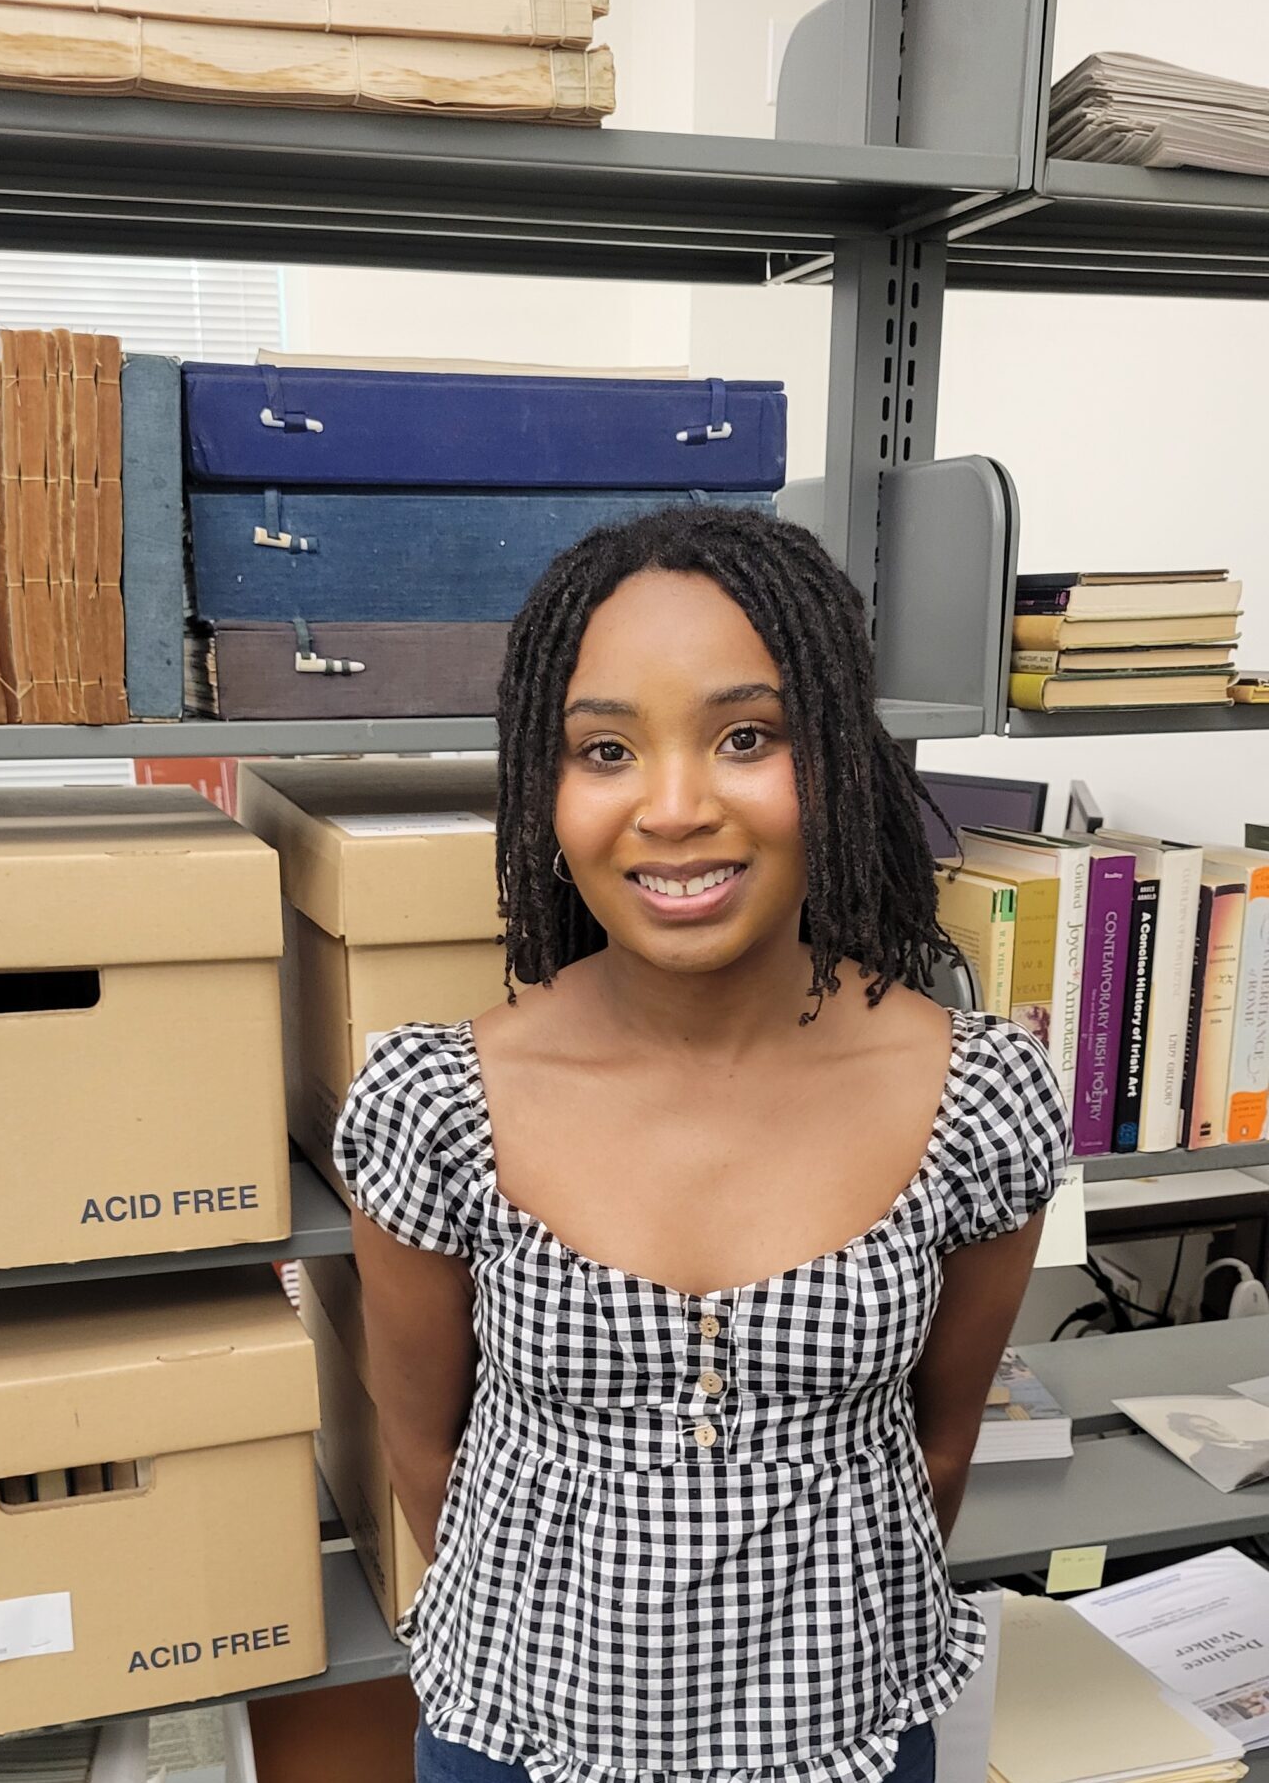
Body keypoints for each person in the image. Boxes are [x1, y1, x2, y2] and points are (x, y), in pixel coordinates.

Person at [337, 505, 1069, 1783]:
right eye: (606, 749)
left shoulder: (977, 1095)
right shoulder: (438, 1104)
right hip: (518, 1735)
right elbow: (423, 1449)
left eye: (746, 738)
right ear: (544, 785)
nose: (673, 809)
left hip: (841, 1734)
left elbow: (939, 1446)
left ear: (837, 755)